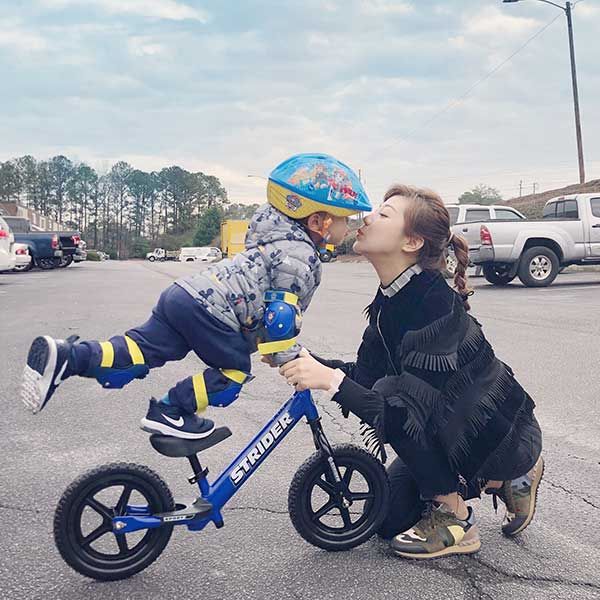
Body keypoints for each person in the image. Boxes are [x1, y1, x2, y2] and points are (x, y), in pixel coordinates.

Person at [20, 153, 371, 440]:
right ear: (319, 222)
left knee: (135, 352)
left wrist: (272, 344)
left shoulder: (273, 240)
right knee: (233, 372)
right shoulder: (299, 254)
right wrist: (288, 358)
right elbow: (279, 317)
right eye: (345, 219)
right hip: (212, 313)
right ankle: (172, 410)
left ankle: (68, 357)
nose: (350, 226)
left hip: (182, 297)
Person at [278, 184, 543, 559]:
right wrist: (304, 359)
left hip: (502, 440)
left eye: (384, 214)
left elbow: (403, 414)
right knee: (386, 520)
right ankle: (494, 483)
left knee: (392, 398)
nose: (367, 217)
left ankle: (461, 514)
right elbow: (365, 377)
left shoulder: (433, 304)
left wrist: (332, 381)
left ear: (411, 242)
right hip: (448, 435)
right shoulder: (391, 298)